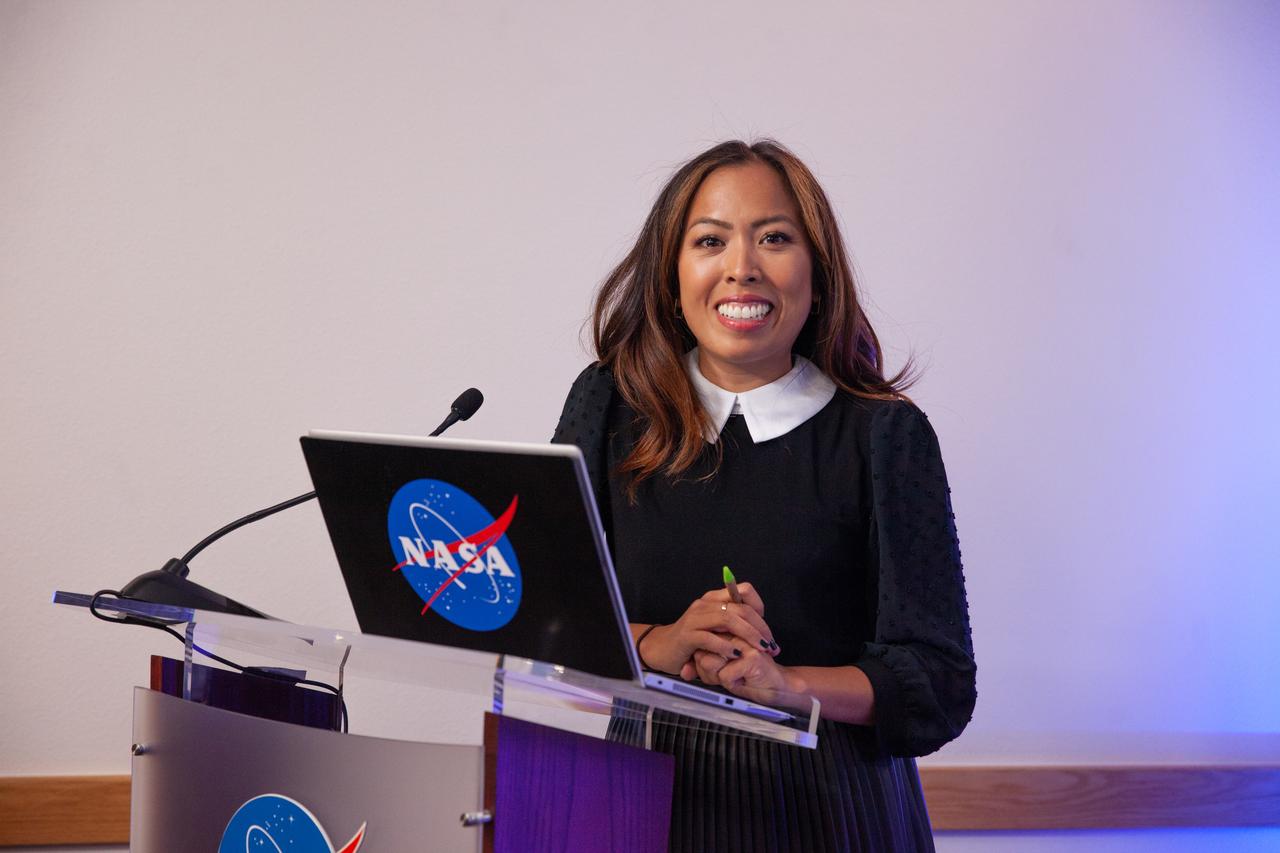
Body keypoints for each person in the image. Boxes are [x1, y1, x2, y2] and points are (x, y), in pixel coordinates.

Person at [552, 139, 976, 852]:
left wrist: (787, 685)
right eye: (710, 240)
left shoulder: (884, 434)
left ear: (816, 270)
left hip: (832, 812)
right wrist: (662, 643)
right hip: (641, 805)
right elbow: (549, 621)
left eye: (774, 238)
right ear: (673, 270)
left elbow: (938, 681)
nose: (740, 267)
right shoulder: (607, 408)